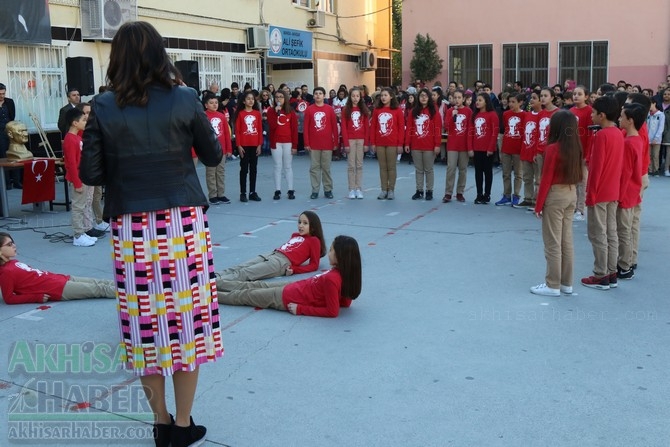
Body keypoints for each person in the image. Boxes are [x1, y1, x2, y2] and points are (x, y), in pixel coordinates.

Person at [80, 21, 223, 447]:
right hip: (182, 225)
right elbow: (213, 155)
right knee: (188, 325)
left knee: (145, 326)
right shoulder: (185, 97)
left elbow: (90, 173)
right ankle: (182, 425)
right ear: (161, 54)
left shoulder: (102, 106)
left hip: (132, 229)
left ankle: (159, 422)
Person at [217, 235, 362, 318]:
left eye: (331, 250)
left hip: (286, 297)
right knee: (251, 285)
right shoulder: (341, 274)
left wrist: (300, 309)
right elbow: (345, 303)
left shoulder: (333, 278)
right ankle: (215, 283)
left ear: (341, 256)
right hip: (292, 288)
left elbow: (332, 311)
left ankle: (209, 295)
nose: (328, 253)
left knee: (244, 295)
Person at [530, 111, 583, 297]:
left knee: (552, 242)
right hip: (570, 193)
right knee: (566, 241)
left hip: (555, 194)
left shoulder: (552, 148)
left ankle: (552, 284)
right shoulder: (576, 146)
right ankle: (566, 283)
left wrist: (538, 205)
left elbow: (546, 179)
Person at [580, 96, 624, 291]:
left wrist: (590, 194)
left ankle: (600, 274)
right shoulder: (618, 133)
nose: (591, 115)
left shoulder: (602, 136)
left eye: (594, 112)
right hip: (613, 190)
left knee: (598, 234)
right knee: (611, 233)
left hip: (600, 192)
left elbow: (596, 169)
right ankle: (612, 272)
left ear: (602, 115)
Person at [0, 232, 115, 304]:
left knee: (100, 282)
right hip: (58, 289)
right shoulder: (6, 272)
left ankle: (128, 286)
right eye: (9, 245)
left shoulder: (13, 263)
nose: (14, 245)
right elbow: (9, 298)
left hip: (60, 279)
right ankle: (130, 293)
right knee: (99, 289)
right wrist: (35, 297)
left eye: (13, 243)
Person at [217, 210, 326, 282]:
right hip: (272, 254)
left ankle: (215, 283)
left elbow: (314, 265)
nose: (300, 225)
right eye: (299, 222)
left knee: (246, 273)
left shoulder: (314, 241)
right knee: (240, 267)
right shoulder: (295, 235)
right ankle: (214, 276)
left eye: (305, 223)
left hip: (281, 263)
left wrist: (295, 269)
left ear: (313, 227)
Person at [616, 103, 645, 280]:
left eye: (622, 117)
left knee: (623, 231)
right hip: (634, 191)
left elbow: (625, 174)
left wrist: (618, 196)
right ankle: (628, 261)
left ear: (630, 120)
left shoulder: (628, 143)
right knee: (628, 229)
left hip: (626, 193)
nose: (619, 119)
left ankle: (624, 266)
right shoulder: (637, 139)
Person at [63, 107, 98, 247]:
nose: (85, 122)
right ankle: (78, 235)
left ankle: (82, 231)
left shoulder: (77, 137)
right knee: (78, 207)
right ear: (74, 123)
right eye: (83, 120)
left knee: (83, 205)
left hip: (83, 175)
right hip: (77, 177)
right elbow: (71, 163)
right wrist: (77, 183)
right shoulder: (70, 139)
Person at [404, 88, 441, 200]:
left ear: (429, 97)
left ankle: (429, 191)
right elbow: (409, 128)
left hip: (429, 146)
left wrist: (437, 145)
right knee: (419, 170)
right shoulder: (413, 112)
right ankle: (419, 190)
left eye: (426, 95)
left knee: (428, 170)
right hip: (416, 145)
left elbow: (437, 129)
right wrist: (407, 143)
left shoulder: (434, 111)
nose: (423, 97)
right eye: (421, 96)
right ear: (418, 98)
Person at [303, 87, 339, 199]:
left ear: (324, 96)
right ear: (313, 96)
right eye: (316, 93)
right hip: (314, 144)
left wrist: (335, 142)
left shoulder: (329, 109)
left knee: (326, 168)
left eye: (320, 93)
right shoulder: (309, 109)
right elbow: (306, 128)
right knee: (314, 168)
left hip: (327, 144)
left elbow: (334, 127)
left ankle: (328, 189)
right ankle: (315, 190)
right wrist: (307, 143)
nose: (318, 95)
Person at [370, 87, 404, 200]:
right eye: (382, 95)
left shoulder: (397, 110)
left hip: (392, 143)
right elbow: (373, 127)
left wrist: (400, 144)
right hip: (380, 143)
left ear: (391, 96)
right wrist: (373, 143)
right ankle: (383, 189)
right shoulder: (377, 110)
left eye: (385, 95)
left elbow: (401, 128)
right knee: (382, 167)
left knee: (391, 167)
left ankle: (391, 190)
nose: (383, 97)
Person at [267, 89, 298, 200]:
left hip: (288, 142)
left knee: (288, 166)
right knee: (277, 166)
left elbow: (294, 129)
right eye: (277, 97)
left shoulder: (291, 112)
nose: (279, 99)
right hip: (276, 142)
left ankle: (290, 189)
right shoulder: (271, 111)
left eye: (281, 97)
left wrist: (295, 145)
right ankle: (278, 190)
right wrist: (276, 113)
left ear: (285, 98)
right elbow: (272, 126)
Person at [495, 93, 525, 206]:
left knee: (518, 174)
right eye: (510, 102)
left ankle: (516, 196)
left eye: (513, 102)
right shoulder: (506, 114)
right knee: (506, 173)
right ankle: (506, 195)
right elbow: (504, 131)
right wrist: (501, 148)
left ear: (520, 102)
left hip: (518, 149)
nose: (511, 104)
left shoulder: (525, 115)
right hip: (507, 147)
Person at [470, 93, 499, 204]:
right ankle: (479, 194)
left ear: (486, 101)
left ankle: (487, 194)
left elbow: (494, 132)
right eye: (476, 100)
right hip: (477, 148)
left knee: (487, 172)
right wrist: (471, 148)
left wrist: (490, 148)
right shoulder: (475, 115)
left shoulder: (492, 115)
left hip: (487, 149)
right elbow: (471, 133)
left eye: (480, 100)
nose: (477, 102)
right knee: (478, 172)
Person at [443, 89, 471, 203]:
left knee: (463, 169)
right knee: (451, 168)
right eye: (455, 98)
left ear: (463, 99)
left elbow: (470, 129)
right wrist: (452, 116)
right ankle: (448, 192)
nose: (457, 100)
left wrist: (470, 147)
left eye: (459, 97)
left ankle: (460, 192)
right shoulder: (450, 111)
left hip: (464, 145)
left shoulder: (468, 111)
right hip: (453, 145)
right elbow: (447, 126)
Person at [341, 87, 370, 199]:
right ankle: (351, 189)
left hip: (361, 140)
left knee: (359, 165)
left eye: (357, 96)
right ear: (350, 97)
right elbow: (343, 128)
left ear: (360, 97)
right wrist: (346, 144)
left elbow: (367, 127)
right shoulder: (345, 110)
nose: (355, 98)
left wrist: (366, 143)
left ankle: (358, 188)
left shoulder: (364, 110)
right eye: (353, 96)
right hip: (350, 140)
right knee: (351, 165)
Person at [203, 93, 232, 204]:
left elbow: (226, 134)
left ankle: (221, 194)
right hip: (209, 150)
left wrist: (229, 149)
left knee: (220, 172)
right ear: (206, 105)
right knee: (211, 173)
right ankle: (212, 195)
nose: (214, 105)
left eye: (216, 103)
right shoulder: (203, 116)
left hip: (221, 150)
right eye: (211, 103)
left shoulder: (221, 116)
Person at [569, 86, 593, 221]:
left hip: (583, 152)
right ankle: (572, 206)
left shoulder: (589, 111)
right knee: (573, 180)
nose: (576, 96)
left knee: (582, 181)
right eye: (574, 94)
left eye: (579, 94)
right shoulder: (571, 111)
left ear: (586, 97)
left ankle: (581, 209)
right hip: (572, 151)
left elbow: (590, 135)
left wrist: (587, 154)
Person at [235, 90, 263, 202]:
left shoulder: (257, 113)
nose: (251, 101)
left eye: (252, 99)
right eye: (248, 99)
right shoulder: (240, 114)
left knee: (253, 169)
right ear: (243, 101)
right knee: (244, 169)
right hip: (244, 145)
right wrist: (239, 145)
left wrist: (259, 144)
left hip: (254, 145)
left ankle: (252, 192)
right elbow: (237, 131)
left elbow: (260, 130)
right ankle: (243, 192)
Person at [518, 91, 542, 208]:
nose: (531, 100)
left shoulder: (543, 115)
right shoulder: (527, 115)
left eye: (534, 98)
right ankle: (528, 198)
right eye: (531, 98)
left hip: (536, 152)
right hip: (526, 149)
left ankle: (536, 200)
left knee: (538, 179)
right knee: (527, 177)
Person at [648, 100, 665, 176]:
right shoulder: (648, 114)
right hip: (648, 138)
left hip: (656, 139)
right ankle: (650, 169)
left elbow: (661, 128)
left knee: (655, 155)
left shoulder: (660, 114)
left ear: (654, 103)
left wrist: (656, 137)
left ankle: (656, 170)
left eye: (650, 104)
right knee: (649, 155)